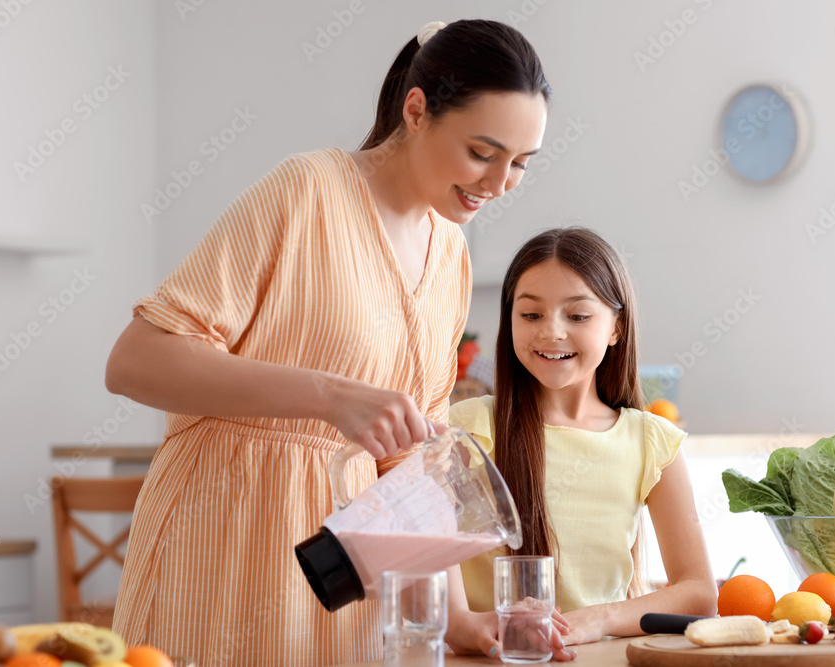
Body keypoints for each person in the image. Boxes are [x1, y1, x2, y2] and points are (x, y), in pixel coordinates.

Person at [104, 19, 550, 667]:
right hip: (227, 546)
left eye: (520, 164)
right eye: (483, 152)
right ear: (417, 109)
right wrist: (328, 395)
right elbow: (135, 360)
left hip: (349, 583)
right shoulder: (306, 190)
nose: (500, 182)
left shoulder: (449, 253)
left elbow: (421, 461)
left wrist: (458, 618)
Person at [445, 228, 718, 658]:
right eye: (531, 315)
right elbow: (417, 551)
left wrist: (597, 618)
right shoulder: (467, 429)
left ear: (616, 328)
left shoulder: (652, 442)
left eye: (577, 316)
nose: (552, 332)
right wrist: (462, 623)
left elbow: (699, 592)